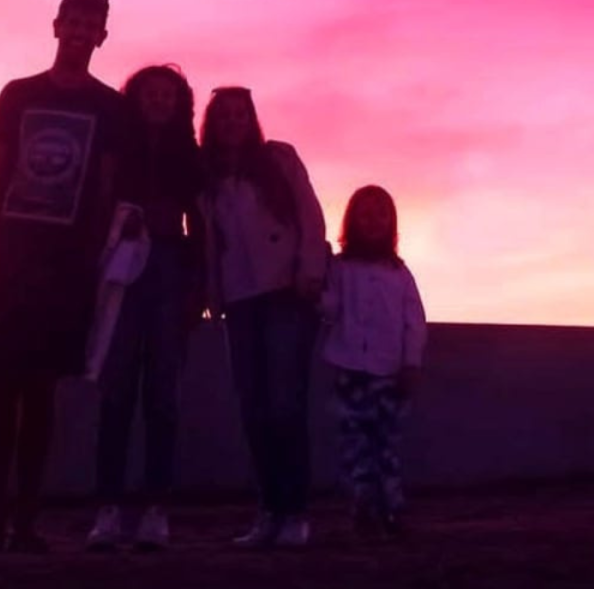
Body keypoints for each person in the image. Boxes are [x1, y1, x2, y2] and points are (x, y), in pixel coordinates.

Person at [0, 0, 133, 553]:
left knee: (40, 394)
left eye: (94, 25)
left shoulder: (110, 108)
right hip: (7, 259)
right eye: (75, 21)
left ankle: (25, 522)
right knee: (0, 391)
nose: (82, 32)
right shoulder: (18, 95)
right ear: (57, 25)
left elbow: (108, 189)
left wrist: (95, 260)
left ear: (103, 36)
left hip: (66, 268)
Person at [199, 86, 328, 549]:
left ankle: (295, 512)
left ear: (252, 120)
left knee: (284, 404)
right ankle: (268, 511)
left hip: (285, 294)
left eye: (241, 114)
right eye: (225, 115)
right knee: (253, 409)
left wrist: (310, 269)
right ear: (212, 123)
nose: (233, 121)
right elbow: (209, 241)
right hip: (239, 300)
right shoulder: (208, 178)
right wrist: (211, 292)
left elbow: (311, 217)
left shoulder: (279, 160)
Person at [86, 65, 206, 552]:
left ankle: (157, 508)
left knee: (162, 394)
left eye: (168, 95)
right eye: (150, 93)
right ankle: (108, 508)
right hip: (120, 266)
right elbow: (97, 204)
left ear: (180, 105)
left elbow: (200, 225)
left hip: (169, 266)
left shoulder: (190, 157)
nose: (158, 101)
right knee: (116, 391)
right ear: (135, 99)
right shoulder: (116, 150)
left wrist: (198, 288)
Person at [320, 185, 427, 538]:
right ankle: (363, 509)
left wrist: (411, 363)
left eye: (381, 213)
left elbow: (414, 322)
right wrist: (317, 280)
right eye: (365, 213)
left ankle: (392, 510)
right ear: (351, 221)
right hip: (350, 371)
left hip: (389, 374)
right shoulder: (339, 268)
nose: (373, 220)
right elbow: (329, 309)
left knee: (387, 446)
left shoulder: (400, 274)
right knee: (355, 447)